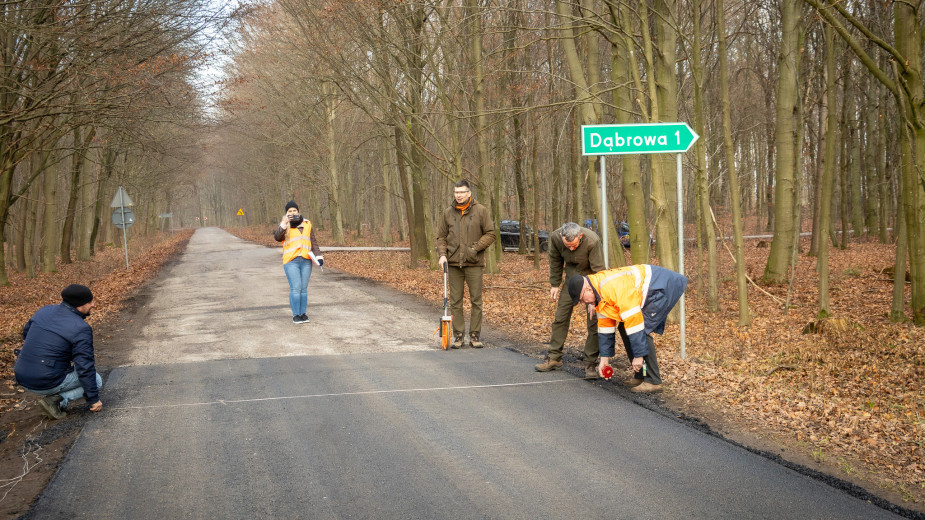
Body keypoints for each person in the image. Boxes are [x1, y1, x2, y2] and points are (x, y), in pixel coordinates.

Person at [567, 265, 688, 392]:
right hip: (653, 287)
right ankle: (641, 374)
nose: (582, 303)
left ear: (588, 290)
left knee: (642, 329)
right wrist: (604, 359)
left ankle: (653, 380)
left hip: (661, 287)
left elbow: (635, 323)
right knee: (625, 328)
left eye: (581, 299)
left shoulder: (613, 289)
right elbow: (605, 328)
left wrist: (639, 355)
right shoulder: (599, 293)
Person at [14, 284, 104, 420]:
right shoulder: (81, 328)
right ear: (80, 305)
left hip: (21, 374)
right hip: (45, 379)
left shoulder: (44, 310)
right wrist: (94, 399)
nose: (93, 305)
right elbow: (85, 367)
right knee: (96, 380)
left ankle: (51, 395)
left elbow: (27, 334)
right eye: (90, 302)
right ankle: (58, 400)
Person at [535, 222, 605, 379]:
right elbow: (555, 260)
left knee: (594, 321)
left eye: (574, 246)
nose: (571, 249)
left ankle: (590, 363)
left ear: (580, 236)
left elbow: (599, 271)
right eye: (568, 246)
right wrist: (554, 284)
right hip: (571, 281)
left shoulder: (592, 240)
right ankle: (554, 357)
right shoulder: (555, 237)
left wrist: (595, 298)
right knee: (560, 317)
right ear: (562, 237)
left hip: (591, 281)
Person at [435, 179, 496, 348]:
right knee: (455, 301)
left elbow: (490, 234)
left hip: (474, 263)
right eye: (456, 192)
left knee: (476, 300)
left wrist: (474, 249)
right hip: (453, 263)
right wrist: (442, 255)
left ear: (469, 193)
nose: (459, 195)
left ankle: (475, 335)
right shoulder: (448, 212)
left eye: (462, 192)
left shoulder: (481, 211)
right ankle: (459, 335)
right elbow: (441, 237)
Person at [274, 200, 324, 324]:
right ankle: (296, 315)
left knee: (303, 288)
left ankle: (303, 314)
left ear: (298, 211)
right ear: (286, 214)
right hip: (291, 261)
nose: (292, 213)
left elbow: (313, 242)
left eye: (294, 210)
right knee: (296, 288)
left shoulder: (307, 223)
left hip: (306, 260)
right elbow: (277, 237)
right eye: (289, 211)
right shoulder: (285, 225)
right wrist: (284, 223)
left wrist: (319, 256)